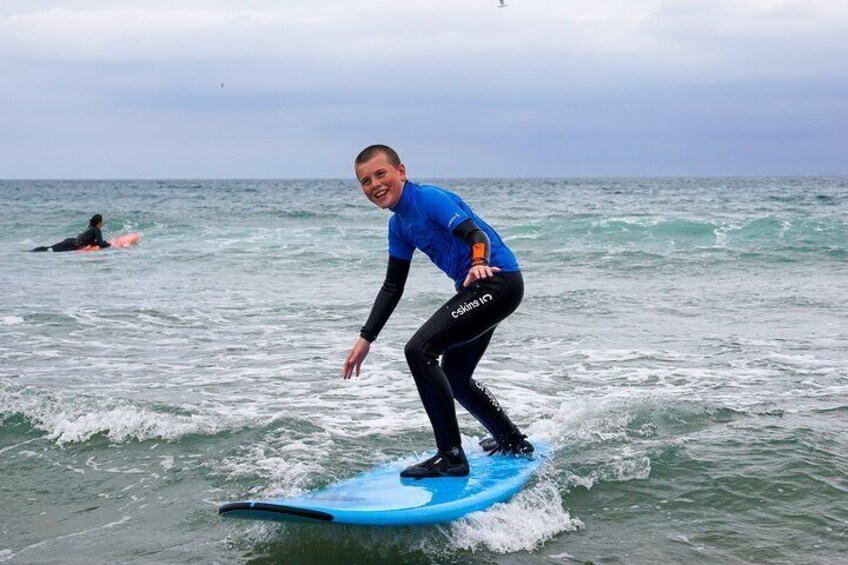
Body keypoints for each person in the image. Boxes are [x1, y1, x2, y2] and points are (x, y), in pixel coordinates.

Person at [343, 145, 533, 479]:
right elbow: (392, 286)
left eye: (380, 174)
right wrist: (365, 338)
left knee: (419, 350)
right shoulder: (399, 226)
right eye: (365, 181)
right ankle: (511, 439)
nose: (374, 185)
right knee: (456, 378)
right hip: (482, 289)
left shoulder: (429, 199)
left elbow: (475, 234)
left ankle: (451, 456)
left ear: (401, 171)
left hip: (495, 282)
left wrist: (478, 263)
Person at [32, 214, 111, 252]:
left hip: (70, 241)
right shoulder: (96, 230)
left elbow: (90, 241)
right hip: (71, 245)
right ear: (99, 222)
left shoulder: (91, 228)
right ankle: (30, 252)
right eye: (102, 221)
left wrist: (100, 243)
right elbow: (101, 245)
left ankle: (31, 252)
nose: (103, 222)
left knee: (48, 248)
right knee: (49, 250)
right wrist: (111, 244)